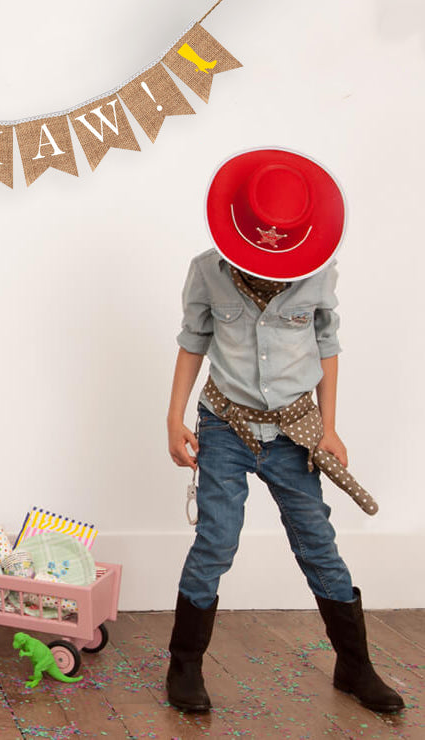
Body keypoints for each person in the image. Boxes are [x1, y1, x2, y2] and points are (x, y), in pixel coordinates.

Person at [165, 148, 404, 714]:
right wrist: (173, 418)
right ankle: (185, 663)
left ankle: (355, 664)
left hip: (296, 431)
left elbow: (328, 347)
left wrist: (330, 427)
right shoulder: (207, 270)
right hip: (226, 425)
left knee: (317, 542)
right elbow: (192, 342)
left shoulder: (319, 273)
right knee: (216, 540)